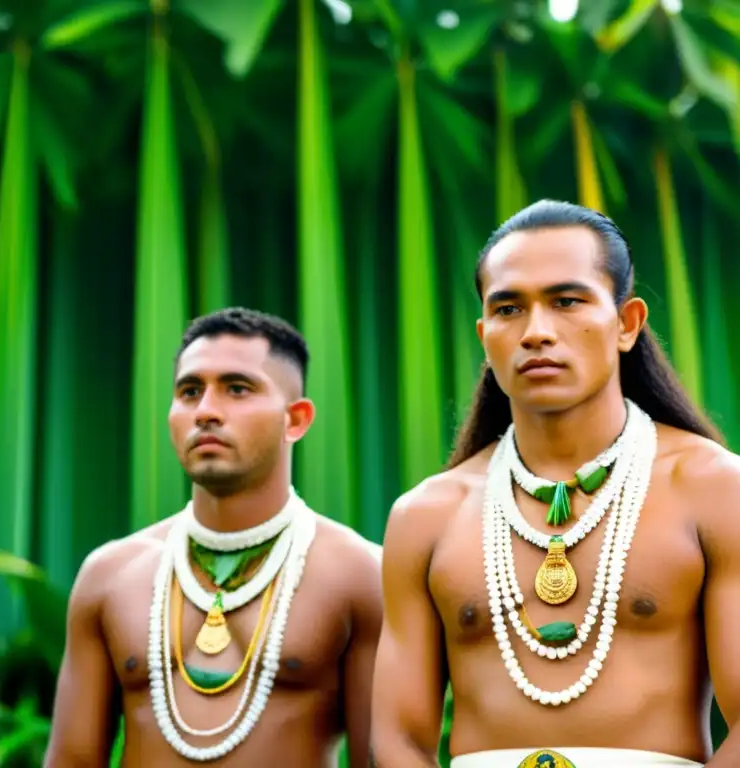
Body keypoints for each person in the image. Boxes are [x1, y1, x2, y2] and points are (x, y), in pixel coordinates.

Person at [370, 199, 740, 768]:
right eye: (509, 308)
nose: (536, 332)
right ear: (484, 334)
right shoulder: (427, 515)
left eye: (567, 302)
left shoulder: (713, 488)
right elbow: (398, 740)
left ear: (627, 324)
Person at [44, 307, 382, 766]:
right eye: (189, 391)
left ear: (296, 420)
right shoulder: (109, 576)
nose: (205, 411)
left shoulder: (359, 575)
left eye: (237, 389)